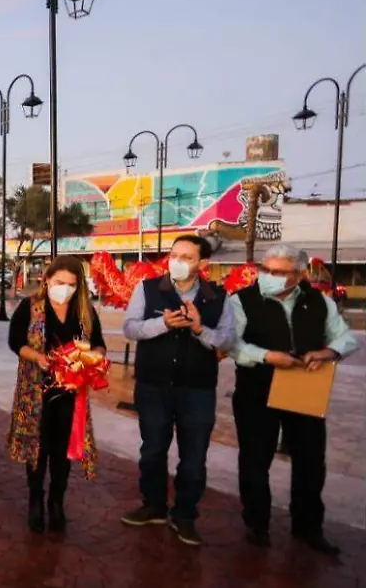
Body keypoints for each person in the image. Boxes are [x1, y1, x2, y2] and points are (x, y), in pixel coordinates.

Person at [229, 244, 359, 555]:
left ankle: (308, 527)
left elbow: (346, 337)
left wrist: (328, 353)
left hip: (304, 387)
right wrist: (266, 356)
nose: (269, 277)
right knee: (255, 460)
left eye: (279, 272)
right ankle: (257, 525)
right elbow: (232, 343)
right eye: (266, 270)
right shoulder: (241, 300)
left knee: (311, 461)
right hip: (256, 390)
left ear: (299, 275)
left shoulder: (319, 302)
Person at [120, 234, 235, 546]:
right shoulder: (148, 289)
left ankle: (184, 515)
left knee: (194, 457)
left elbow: (226, 341)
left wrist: (199, 329)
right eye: (174, 255)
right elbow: (130, 327)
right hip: (153, 386)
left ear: (202, 264)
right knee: (153, 449)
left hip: (196, 389)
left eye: (186, 257)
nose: (178, 262)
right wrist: (164, 325)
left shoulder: (219, 298)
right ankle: (153, 506)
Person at [6, 255, 106, 534]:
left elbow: (99, 345)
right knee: (37, 450)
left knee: (63, 453)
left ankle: (56, 503)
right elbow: (15, 341)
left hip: (70, 395)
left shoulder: (84, 311)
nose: (65, 289)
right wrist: (36, 357)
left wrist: (90, 358)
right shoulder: (31, 306)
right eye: (59, 282)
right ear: (47, 279)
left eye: (71, 284)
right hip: (35, 392)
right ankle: (35, 501)